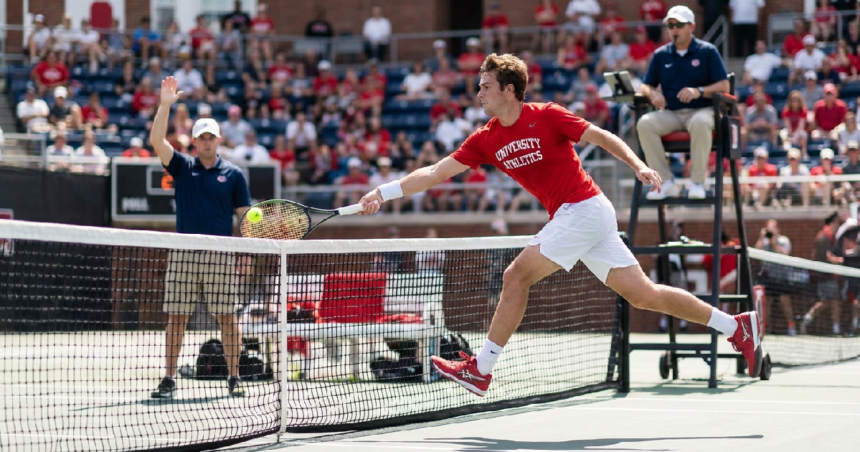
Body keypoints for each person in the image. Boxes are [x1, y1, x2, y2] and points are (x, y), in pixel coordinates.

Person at [356, 52, 763, 396]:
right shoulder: (485, 139)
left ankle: (481, 369)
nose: (478, 92)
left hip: (584, 208)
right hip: (580, 217)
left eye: (485, 86)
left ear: (509, 90)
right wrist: (383, 191)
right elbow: (432, 173)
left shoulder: (547, 116)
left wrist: (639, 164)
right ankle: (736, 325)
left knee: (516, 276)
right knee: (644, 295)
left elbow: (602, 136)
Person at [149, 77, 251, 399]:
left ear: (218, 139)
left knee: (228, 319)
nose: (206, 141)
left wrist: (247, 252)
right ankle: (168, 378)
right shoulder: (182, 166)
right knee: (176, 317)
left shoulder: (234, 175)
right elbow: (156, 141)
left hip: (221, 254)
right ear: (194, 141)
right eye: (201, 137)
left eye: (211, 137)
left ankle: (234, 377)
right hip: (184, 253)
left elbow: (245, 217)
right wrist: (165, 104)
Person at [637, 6, 730, 200]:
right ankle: (666, 182)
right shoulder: (661, 54)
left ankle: (697, 182)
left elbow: (724, 85)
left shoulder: (708, 51)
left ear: (692, 26)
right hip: (671, 113)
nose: (674, 29)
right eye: (670, 25)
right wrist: (653, 94)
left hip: (703, 110)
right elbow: (645, 86)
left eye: (678, 25)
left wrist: (699, 91)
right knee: (645, 123)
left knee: (700, 123)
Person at [802, 212, 844, 335]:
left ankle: (836, 328)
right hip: (824, 276)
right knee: (828, 300)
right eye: (837, 223)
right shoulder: (823, 237)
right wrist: (837, 261)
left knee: (834, 300)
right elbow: (822, 256)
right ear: (832, 222)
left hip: (830, 275)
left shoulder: (830, 237)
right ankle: (807, 318)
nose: (838, 225)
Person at [755, 219, 797, 336]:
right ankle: (765, 328)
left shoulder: (783, 240)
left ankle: (791, 327)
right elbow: (755, 254)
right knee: (767, 304)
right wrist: (761, 238)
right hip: (769, 277)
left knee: (785, 303)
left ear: (777, 230)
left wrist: (773, 242)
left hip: (782, 277)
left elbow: (784, 253)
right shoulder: (764, 242)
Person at [780, 90, 809, 157]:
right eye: (793, 101)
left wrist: (795, 137)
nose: (794, 103)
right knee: (783, 133)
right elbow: (787, 125)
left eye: (796, 101)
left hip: (798, 131)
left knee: (802, 134)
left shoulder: (803, 110)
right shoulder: (786, 111)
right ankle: (788, 151)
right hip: (790, 132)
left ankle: (804, 153)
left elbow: (801, 126)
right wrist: (791, 136)